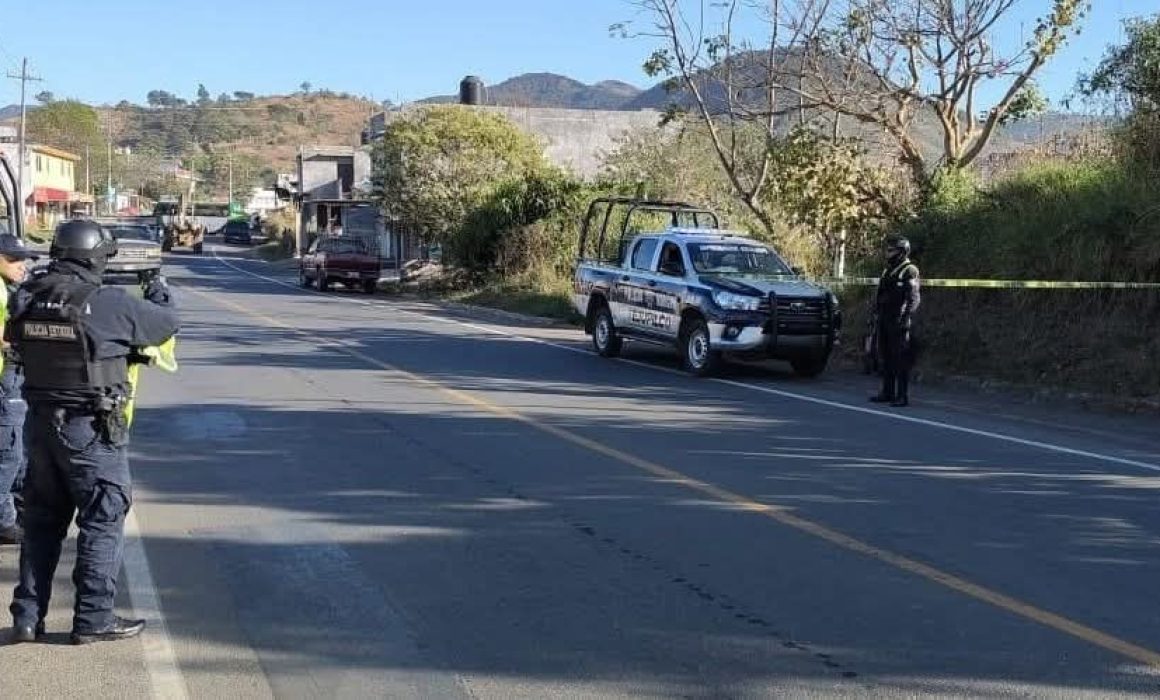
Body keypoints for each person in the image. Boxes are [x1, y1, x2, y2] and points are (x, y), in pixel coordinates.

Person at [7, 220, 179, 645]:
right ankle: (94, 617)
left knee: (42, 523)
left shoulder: (27, 296)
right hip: (91, 429)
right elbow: (164, 323)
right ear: (96, 257)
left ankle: (28, 617)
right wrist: (156, 287)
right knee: (103, 518)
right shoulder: (106, 302)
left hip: (39, 425)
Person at [0, 234, 37, 545]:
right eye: (12, 259)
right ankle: (3, 521)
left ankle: (15, 512)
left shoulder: (11, 287)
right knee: (9, 454)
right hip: (5, 378)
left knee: (19, 451)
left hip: (13, 376)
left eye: (22, 258)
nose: (20, 265)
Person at [870, 235, 920, 407]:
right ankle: (887, 392)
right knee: (886, 356)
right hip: (885, 318)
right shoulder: (888, 270)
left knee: (900, 359)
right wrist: (876, 313)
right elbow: (880, 294)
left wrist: (906, 319)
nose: (888, 253)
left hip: (899, 320)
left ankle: (902, 396)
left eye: (891, 250)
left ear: (901, 252)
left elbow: (913, 298)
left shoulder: (909, 270)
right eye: (888, 250)